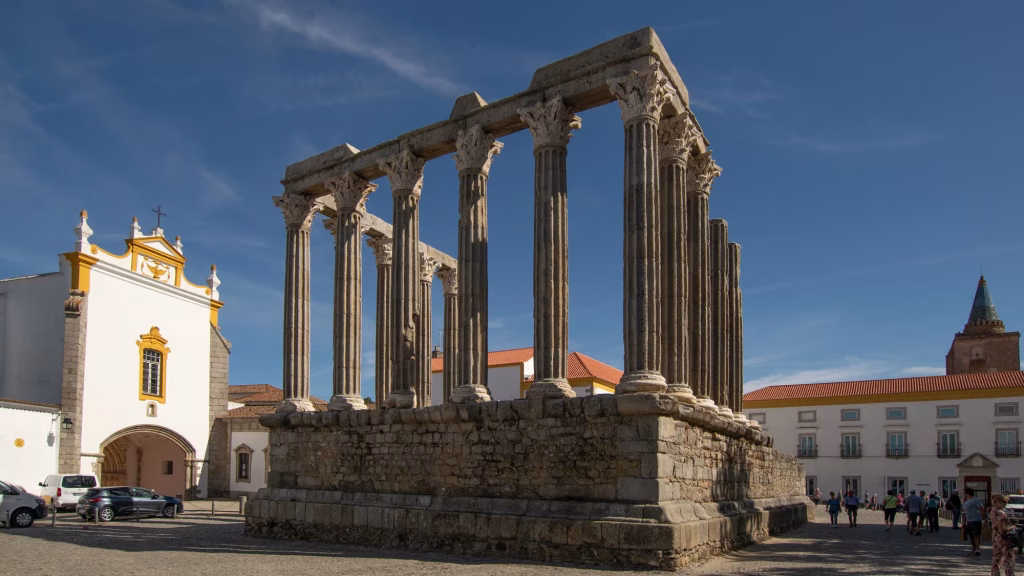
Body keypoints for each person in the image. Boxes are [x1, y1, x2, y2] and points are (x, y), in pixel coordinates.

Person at [990, 493, 1017, 575]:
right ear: (997, 502)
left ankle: (995, 574)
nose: (1006, 503)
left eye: (1006, 501)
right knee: (1009, 558)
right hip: (1004, 538)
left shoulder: (992, 511)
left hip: (995, 537)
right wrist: (1012, 527)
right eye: (1004, 501)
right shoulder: (1001, 513)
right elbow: (1002, 529)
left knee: (997, 558)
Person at [963, 487, 985, 556]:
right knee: (971, 536)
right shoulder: (967, 501)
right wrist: (964, 522)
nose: (964, 494)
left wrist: (984, 519)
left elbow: (981, 509)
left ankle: (977, 549)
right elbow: (965, 511)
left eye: (964, 493)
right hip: (969, 521)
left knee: (976, 535)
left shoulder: (976, 500)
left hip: (976, 520)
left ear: (968, 493)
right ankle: (973, 548)